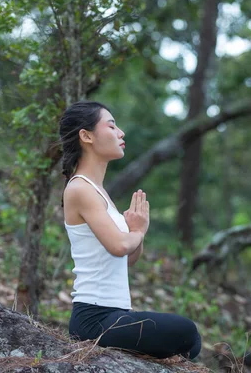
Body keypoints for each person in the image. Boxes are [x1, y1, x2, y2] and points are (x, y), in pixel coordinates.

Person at [59, 100, 201, 360]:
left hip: (116, 315)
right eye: (112, 126)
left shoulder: (100, 193)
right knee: (187, 332)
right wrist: (135, 231)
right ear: (86, 135)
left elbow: (127, 259)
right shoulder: (80, 188)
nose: (120, 133)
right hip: (94, 319)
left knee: (191, 341)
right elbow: (120, 246)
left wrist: (138, 231)